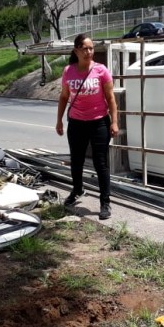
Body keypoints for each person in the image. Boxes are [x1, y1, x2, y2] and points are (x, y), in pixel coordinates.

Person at [55, 33, 119, 220]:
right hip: (76, 123)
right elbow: (64, 97)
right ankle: (77, 191)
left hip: (99, 122)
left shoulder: (101, 70)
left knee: (101, 163)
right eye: (85, 48)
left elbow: (111, 98)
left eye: (91, 48)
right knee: (76, 160)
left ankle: (105, 202)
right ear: (76, 51)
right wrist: (59, 120)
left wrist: (114, 121)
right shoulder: (68, 71)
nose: (89, 51)